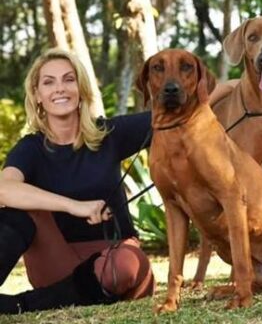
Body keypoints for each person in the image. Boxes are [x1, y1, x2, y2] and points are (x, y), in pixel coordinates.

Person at [0, 48, 154, 314]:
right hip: (55, 261)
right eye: (49, 82)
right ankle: (34, 302)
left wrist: (243, 89)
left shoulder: (110, 134)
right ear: (37, 95)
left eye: (68, 79)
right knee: (18, 208)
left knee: (125, 265)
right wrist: (75, 206)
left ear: (81, 88)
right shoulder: (31, 148)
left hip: (114, 260)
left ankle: (21, 305)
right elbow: (3, 189)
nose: (60, 88)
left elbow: (182, 114)